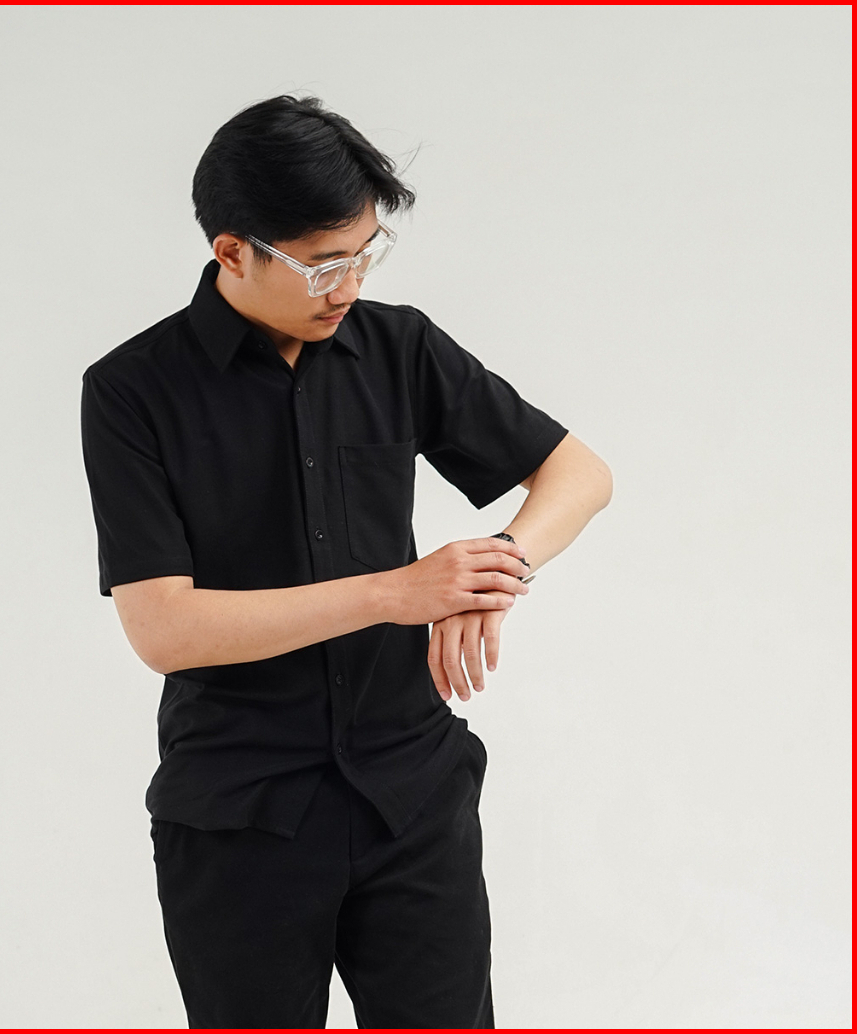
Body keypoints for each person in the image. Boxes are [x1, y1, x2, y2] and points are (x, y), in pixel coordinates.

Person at [79, 94, 612, 1029]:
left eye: (366, 253)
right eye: (324, 264)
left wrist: (494, 570)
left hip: (412, 794)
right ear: (232, 251)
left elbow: (579, 474)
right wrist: (394, 594)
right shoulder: (132, 391)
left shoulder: (397, 346)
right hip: (241, 814)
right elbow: (164, 629)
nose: (349, 286)